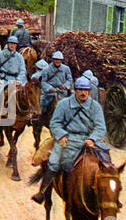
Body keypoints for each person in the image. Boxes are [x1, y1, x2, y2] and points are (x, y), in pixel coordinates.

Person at [31, 76, 109, 204]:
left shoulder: (95, 107)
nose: (83, 93)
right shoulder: (63, 104)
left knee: (107, 163)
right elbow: (55, 123)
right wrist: (61, 135)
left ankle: (109, 196)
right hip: (68, 139)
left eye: (86, 90)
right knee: (54, 161)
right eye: (80, 90)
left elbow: (100, 127)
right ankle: (42, 192)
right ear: (75, 90)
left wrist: (93, 139)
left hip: (89, 140)